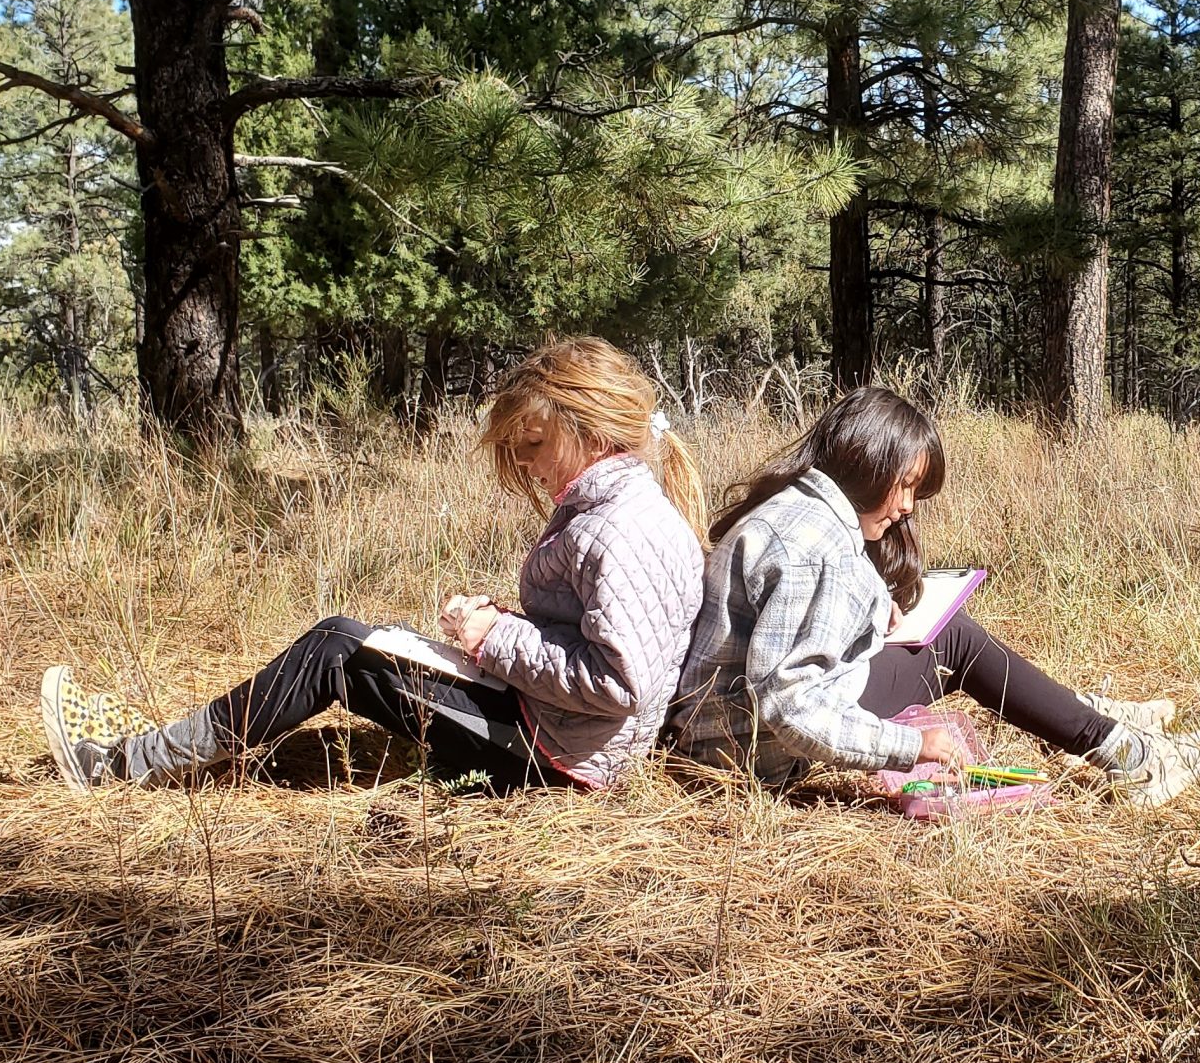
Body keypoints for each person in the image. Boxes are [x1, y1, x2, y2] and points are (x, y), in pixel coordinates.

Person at [39, 337, 708, 794]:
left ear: (591, 432)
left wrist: (491, 638)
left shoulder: (624, 526)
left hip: (560, 759)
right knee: (348, 642)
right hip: (559, 732)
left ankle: (129, 763)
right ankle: (157, 745)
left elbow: (619, 683)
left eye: (534, 443)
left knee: (334, 652)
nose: (527, 463)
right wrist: (500, 624)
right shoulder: (616, 507)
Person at [671, 387, 1200, 805]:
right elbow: (790, 706)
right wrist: (913, 747)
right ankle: (1131, 755)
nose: (909, 506)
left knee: (952, 639)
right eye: (906, 486)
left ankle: (1088, 718)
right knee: (956, 642)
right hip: (747, 752)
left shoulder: (797, 512)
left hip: (722, 731)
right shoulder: (819, 551)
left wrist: (862, 616)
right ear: (868, 466)